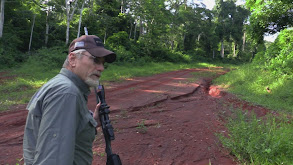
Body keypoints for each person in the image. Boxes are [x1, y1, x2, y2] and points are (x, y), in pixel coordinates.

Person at [23, 35, 116, 165]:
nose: (101, 68)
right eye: (95, 60)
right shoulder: (66, 93)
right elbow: (53, 160)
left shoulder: (63, 86)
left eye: (102, 63)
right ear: (72, 59)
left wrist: (91, 122)